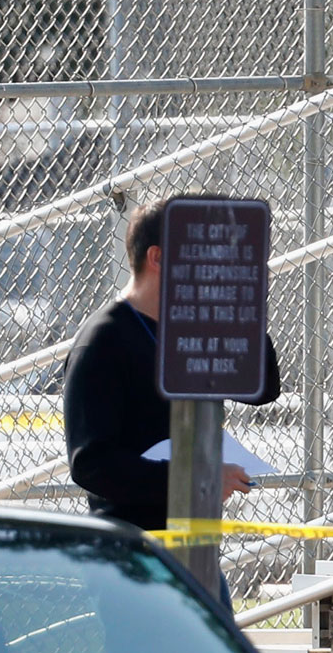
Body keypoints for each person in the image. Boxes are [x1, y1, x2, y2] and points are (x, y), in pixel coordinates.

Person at [62, 197, 281, 532]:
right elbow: (91, 463)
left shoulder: (195, 326)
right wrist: (193, 480)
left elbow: (262, 388)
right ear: (158, 257)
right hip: (135, 548)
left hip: (194, 539)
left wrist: (241, 304)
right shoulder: (104, 339)